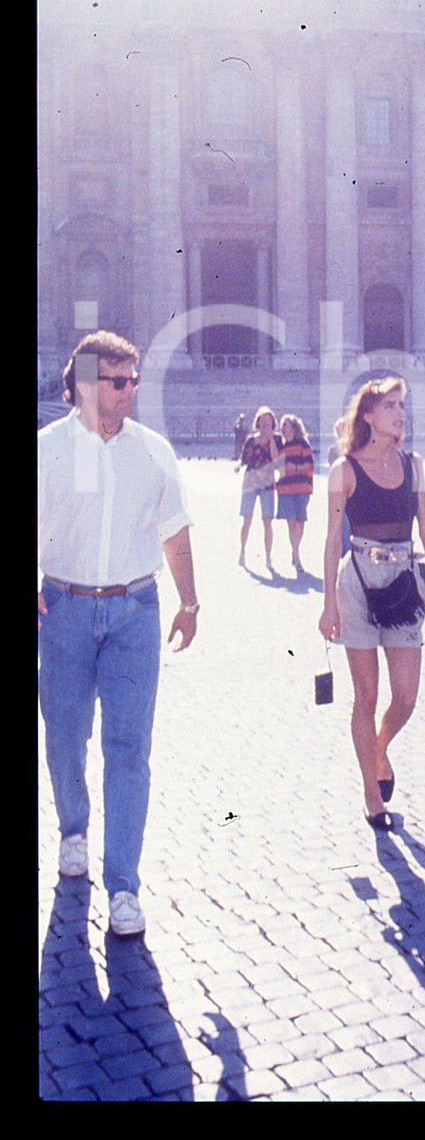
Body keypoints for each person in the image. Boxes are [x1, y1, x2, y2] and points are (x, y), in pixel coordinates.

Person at [37, 330, 199, 937]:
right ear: (84, 385)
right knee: (65, 738)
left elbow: (175, 529)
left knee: (130, 751)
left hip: (135, 610)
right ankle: (73, 827)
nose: (132, 389)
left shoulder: (153, 450)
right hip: (64, 610)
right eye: (119, 381)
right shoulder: (48, 450)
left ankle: (124, 885)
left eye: (133, 379)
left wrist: (190, 600)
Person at [318, 378, 425, 831]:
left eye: (402, 406)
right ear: (368, 416)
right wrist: (327, 606)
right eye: (390, 406)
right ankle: (372, 796)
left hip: (403, 580)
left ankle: (378, 749)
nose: (400, 413)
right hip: (356, 583)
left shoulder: (412, 466)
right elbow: (333, 539)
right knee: (367, 694)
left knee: (407, 696)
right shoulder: (345, 470)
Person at [236, 406, 282, 569]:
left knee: (267, 521)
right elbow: (243, 458)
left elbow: (277, 461)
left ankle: (268, 557)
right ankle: (242, 551)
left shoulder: (276, 440)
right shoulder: (250, 440)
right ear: (258, 423)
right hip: (250, 483)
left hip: (267, 484)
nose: (265, 427)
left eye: (268, 424)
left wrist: (270, 440)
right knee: (247, 520)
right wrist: (238, 465)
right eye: (263, 424)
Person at [276, 414, 315, 573]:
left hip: (301, 488)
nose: (283, 429)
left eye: (285, 425)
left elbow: (310, 465)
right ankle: (297, 556)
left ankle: (295, 550)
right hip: (285, 488)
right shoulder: (281, 447)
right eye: (281, 426)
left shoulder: (303, 445)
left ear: (293, 427)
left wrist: (296, 468)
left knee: (300, 521)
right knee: (291, 521)